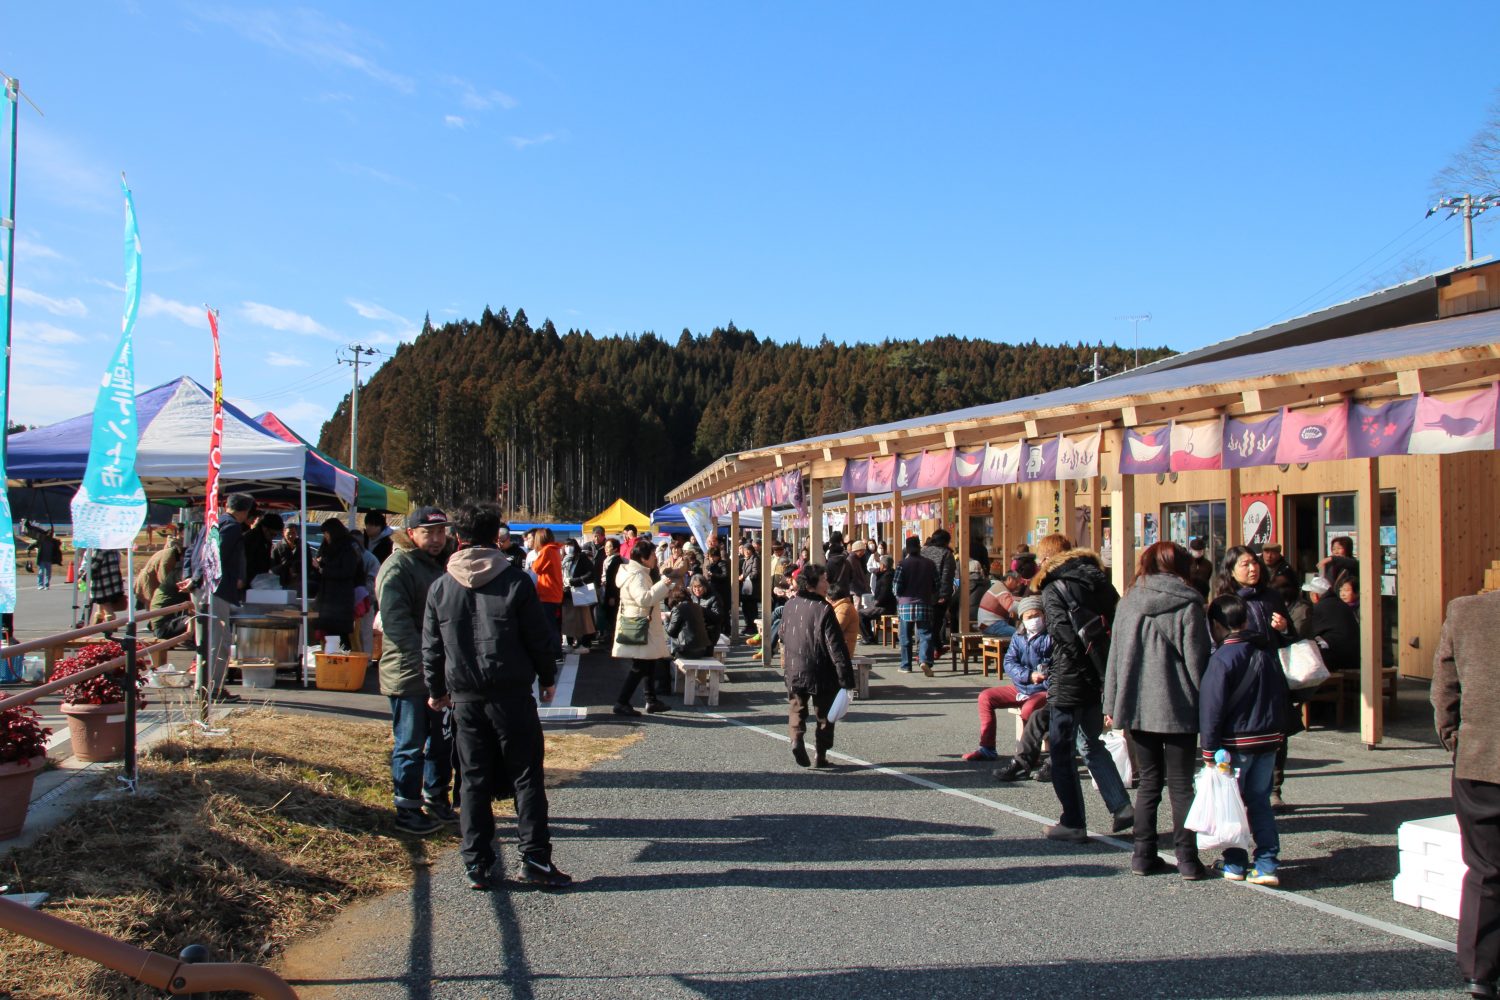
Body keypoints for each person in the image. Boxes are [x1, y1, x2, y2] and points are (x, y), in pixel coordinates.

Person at [421, 501, 570, 890]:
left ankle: (477, 863)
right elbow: (538, 636)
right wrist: (547, 676)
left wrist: (436, 690)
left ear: (458, 537)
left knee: (471, 778)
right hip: (511, 692)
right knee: (526, 776)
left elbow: (432, 647)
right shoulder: (516, 580)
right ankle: (535, 858)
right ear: (497, 537)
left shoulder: (440, 585)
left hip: (464, 695)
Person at [1103, 541, 1211, 879]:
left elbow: (1115, 657)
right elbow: (1197, 662)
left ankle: (1142, 854)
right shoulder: (1188, 603)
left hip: (1136, 703)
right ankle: (1188, 859)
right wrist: (1210, 705)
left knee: (1149, 782)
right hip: (1179, 704)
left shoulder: (1129, 601)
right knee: (1181, 785)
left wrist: (1111, 703)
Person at [1032, 533, 1132, 844]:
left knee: (1062, 751)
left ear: (1047, 559)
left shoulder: (1054, 586)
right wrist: (1103, 675)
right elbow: (1117, 620)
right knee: (1091, 742)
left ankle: (1073, 821)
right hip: (1102, 670)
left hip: (1070, 679)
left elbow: (1063, 636)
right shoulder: (1099, 579)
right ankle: (1121, 805)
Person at [1433, 585, 1500, 1000]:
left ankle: (1479, 973)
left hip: (1479, 759)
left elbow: (1444, 690)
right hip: (1478, 755)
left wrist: (1456, 740)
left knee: (1485, 871)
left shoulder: (1465, 611)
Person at [376, 506, 455, 836]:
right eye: (428, 533)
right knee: (409, 743)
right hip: (408, 673)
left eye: (440, 532)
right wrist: (429, 663)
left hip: (438, 671)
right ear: (411, 534)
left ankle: (436, 796)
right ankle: (406, 808)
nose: (436, 539)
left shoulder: (440, 564)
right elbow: (397, 627)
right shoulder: (398, 568)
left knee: (441, 740)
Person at [1201, 593, 1289, 887]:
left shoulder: (1222, 659)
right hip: (1267, 740)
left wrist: (1209, 748)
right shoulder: (1264, 652)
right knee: (1259, 802)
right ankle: (1266, 864)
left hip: (1234, 743)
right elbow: (1280, 696)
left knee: (1232, 805)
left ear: (1216, 623)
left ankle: (1235, 862)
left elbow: (1211, 708)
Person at [1213, 545, 1298, 812]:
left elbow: (1290, 636)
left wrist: (1284, 628)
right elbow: (1214, 641)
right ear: (1231, 570)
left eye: (1254, 563)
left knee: (1278, 732)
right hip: (1241, 677)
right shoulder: (1224, 600)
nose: (1252, 569)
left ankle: (1274, 788)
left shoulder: (1271, 596)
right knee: (1242, 738)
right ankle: (1240, 794)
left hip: (1271, 674)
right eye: (1245, 564)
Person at [179, 493, 255, 703]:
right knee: (218, 640)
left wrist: (188, 577)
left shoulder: (210, 523)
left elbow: (190, 551)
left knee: (204, 639)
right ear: (244, 512)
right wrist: (195, 579)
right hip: (214, 588)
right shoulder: (231, 527)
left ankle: (202, 687)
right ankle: (212, 689)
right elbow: (214, 555)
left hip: (200, 587)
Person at [780, 564, 856, 769]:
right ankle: (820, 755)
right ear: (812, 584)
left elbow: (781, 634)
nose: (827, 584)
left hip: (794, 666)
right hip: (820, 669)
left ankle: (796, 739)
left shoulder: (790, 605)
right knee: (824, 714)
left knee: (797, 707)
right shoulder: (823, 609)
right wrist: (846, 677)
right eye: (824, 579)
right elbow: (835, 646)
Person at [968, 595, 1049, 765]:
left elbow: (1058, 667)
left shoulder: (1052, 636)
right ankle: (987, 747)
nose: (1034, 620)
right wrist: (1027, 675)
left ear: (1044, 615)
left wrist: (1041, 678)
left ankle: (1028, 755)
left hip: (1044, 689)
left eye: (1037, 615)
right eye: (1029, 617)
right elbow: (1009, 662)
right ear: (1022, 619)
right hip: (1022, 686)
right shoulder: (1018, 636)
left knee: (1029, 709)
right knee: (986, 697)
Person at [612, 541, 678, 716]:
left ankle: (651, 700)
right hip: (641, 624)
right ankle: (622, 702)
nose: (656, 558)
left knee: (648, 662)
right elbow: (644, 599)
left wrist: (664, 585)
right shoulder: (637, 575)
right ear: (643, 558)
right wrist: (663, 584)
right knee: (640, 665)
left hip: (639, 623)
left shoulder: (636, 572)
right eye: (653, 555)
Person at [134, 525, 184, 668]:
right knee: (154, 606)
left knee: (156, 607)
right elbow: (163, 575)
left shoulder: (171, 553)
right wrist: (171, 587)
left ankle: (159, 634)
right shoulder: (169, 555)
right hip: (150, 580)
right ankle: (158, 635)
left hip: (154, 580)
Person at [313, 517, 361, 650]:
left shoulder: (348, 547)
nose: (325, 537)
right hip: (329, 600)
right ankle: (332, 661)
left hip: (340, 600)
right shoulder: (329, 547)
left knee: (341, 635)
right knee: (330, 635)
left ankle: (342, 664)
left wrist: (323, 569)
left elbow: (347, 572)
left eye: (326, 533)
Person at [893, 536, 937, 676]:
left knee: (905, 636)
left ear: (907, 548)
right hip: (924, 602)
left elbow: (896, 587)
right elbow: (936, 584)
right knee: (925, 635)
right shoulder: (930, 564)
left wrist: (899, 597)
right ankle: (924, 660)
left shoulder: (902, 564)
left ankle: (906, 665)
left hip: (906, 605)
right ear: (919, 547)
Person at [1300, 576, 1360, 672]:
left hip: (1336, 660)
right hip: (1355, 657)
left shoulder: (1318, 608)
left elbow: (1306, 633)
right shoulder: (1343, 605)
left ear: (1315, 595)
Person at [528, 529, 565, 658]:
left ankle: (555, 653)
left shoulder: (547, 551)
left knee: (549, 626)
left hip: (547, 594)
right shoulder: (554, 550)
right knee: (552, 625)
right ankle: (556, 651)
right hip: (554, 593)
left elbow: (535, 568)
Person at [823, 532, 859, 657]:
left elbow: (826, 580)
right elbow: (851, 578)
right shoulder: (847, 562)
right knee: (844, 623)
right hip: (845, 595)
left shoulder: (829, 563)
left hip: (832, 596)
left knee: (834, 623)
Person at [921, 529, 957, 653]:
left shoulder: (923, 551)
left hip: (922, 593)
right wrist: (944, 595)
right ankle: (931, 651)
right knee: (935, 624)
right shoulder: (946, 554)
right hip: (937, 595)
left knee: (925, 624)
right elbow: (947, 576)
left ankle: (932, 648)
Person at [560, 537, 597, 650]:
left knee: (583, 619)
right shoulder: (564, 559)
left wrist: (577, 580)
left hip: (580, 591)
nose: (568, 548)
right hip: (567, 591)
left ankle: (584, 643)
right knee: (568, 619)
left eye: (570, 545)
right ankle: (570, 642)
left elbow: (591, 573)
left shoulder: (582, 558)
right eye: (566, 546)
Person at [666, 582, 714, 659]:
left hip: (686, 650)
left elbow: (671, 632)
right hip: (702, 649)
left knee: (666, 651)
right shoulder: (697, 607)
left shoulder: (678, 609)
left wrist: (666, 619)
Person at [271, 522, 317, 597]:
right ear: (283, 532)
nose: (291, 535)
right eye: (288, 533)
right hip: (283, 583)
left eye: (293, 533)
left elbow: (308, 564)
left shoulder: (303, 546)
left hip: (300, 582)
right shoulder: (277, 547)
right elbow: (273, 567)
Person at [859, 555, 897, 644]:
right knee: (863, 613)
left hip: (885, 607)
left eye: (880, 564)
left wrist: (877, 602)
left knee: (860, 614)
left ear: (883, 566)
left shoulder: (887, 577)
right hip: (885, 605)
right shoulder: (886, 574)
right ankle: (870, 637)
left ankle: (869, 638)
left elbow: (884, 593)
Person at [978, 570, 1026, 638]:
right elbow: (1011, 606)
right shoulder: (1001, 589)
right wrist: (1028, 607)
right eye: (1017, 582)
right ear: (1009, 579)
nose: (1018, 585)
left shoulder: (1000, 587)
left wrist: (1022, 600)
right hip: (992, 625)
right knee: (1020, 635)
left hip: (989, 624)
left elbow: (1011, 599)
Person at [87, 548, 128, 623]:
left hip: (102, 582)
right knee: (101, 603)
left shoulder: (99, 550)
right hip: (113, 579)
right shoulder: (113, 549)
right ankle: (98, 619)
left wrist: (83, 577)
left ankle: (111, 624)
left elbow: (93, 566)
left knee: (105, 603)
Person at [597, 538, 623, 645]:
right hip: (606, 590)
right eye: (606, 546)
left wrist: (612, 596)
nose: (606, 549)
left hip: (613, 593)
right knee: (608, 616)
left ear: (616, 549)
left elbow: (614, 580)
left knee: (612, 616)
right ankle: (609, 638)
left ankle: (612, 640)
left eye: (609, 547)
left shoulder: (617, 561)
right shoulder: (608, 560)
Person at [244, 511, 282, 584]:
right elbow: (247, 562)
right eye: (272, 534)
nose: (273, 537)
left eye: (275, 535)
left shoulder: (266, 540)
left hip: (260, 579)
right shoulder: (251, 538)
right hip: (250, 580)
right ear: (265, 528)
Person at [689, 573, 725, 646]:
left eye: (699, 587)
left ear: (705, 586)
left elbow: (719, 617)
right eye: (694, 587)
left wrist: (702, 610)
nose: (697, 590)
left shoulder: (714, 597)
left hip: (710, 632)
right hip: (696, 631)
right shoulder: (692, 597)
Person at [27, 525, 61, 590]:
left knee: (48, 573)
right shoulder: (41, 541)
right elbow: (34, 545)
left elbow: (57, 548)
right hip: (42, 559)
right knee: (41, 572)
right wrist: (29, 549)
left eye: (51, 534)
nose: (50, 535)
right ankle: (40, 585)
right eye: (49, 533)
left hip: (49, 560)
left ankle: (47, 585)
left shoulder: (53, 542)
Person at [738, 540, 760, 638]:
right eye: (745, 550)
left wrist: (744, 576)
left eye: (748, 550)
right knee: (745, 608)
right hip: (746, 587)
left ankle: (753, 626)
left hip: (752, 588)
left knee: (751, 609)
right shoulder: (746, 559)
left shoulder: (755, 559)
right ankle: (748, 625)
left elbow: (755, 573)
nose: (746, 552)